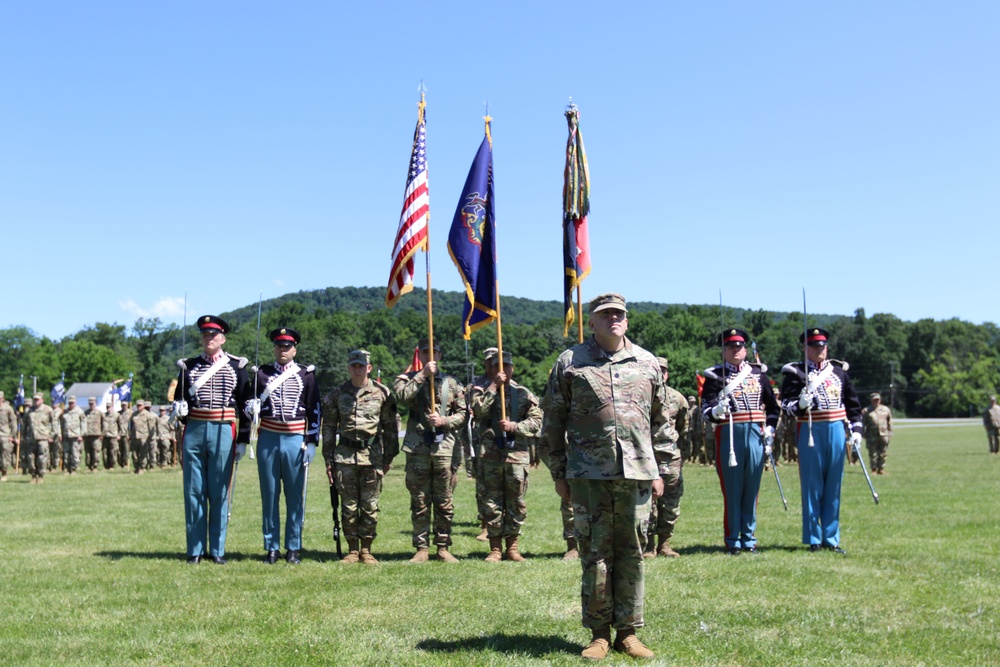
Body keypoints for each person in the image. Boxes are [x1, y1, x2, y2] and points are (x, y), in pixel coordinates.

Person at [542, 293, 666, 660]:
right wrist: (558, 472)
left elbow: (661, 423)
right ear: (591, 322)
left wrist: (662, 469)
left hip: (638, 473)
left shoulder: (646, 363)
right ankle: (598, 634)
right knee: (595, 553)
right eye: (605, 314)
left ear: (627, 320)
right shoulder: (571, 362)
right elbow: (553, 421)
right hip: (588, 475)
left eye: (619, 314)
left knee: (633, 552)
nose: (614, 318)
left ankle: (628, 632)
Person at [174, 315, 252, 565]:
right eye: (205, 334)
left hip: (222, 428)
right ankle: (194, 549)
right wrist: (180, 410)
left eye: (214, 334)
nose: (209, 338)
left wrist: (243, 439)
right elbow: (179, 400)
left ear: (223, 338)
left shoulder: (237, 366)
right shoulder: (188, 366)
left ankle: (217, 549)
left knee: (219, 490)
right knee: (193, 490)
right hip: (195, 428)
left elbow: (246, 406)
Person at [780, 327, 862, 555]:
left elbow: (853, 404)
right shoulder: (796, 373)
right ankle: (814, 537)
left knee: (834, 485)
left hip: (836, 429)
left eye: (823, 346)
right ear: (805, 348)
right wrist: (801, 405)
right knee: (812, 485)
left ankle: (831, 537)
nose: (820, 349)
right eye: (815, 346)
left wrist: (856, 431)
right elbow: (786, 405)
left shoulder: (839, 372)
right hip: (810, 429)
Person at [702, 330, 780, 555]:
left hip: (755, 434)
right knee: (733, 489)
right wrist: (717, 410)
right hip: (729, 434)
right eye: (730, 347)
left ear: (745, 349)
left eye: (739, 346)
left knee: (752, 489)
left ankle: (749, 538)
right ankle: (732, 539)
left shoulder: (758, 374)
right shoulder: (715, 376)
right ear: (724, 350)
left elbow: (773, 408)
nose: (735, 350)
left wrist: (771, 429)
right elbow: (706, 410)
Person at [250, 328, 321, 565]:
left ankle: (293, 546)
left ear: (295, 349)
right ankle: (271, 546)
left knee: (294, 495)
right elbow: (249, 406)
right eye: (279, 345)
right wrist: (250, 410)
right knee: (269, 495)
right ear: (274, 348)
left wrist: (311, 442)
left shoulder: (306, 374)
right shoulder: (261, 374)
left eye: (287, 346)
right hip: (268, 438)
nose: (283, 349)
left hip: (294, 439)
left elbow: (314, 409)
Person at [394, 337, 467, 564]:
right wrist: (422, 374)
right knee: (420, 500)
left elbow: (463, 414)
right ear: (420, 355)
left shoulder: (451, 384)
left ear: (440, 356)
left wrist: (444, 420)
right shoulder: (407, 379)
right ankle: (421, 547)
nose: (430, 357)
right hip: (418, 449)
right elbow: (402, 397)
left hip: (444, 449)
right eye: (426, 353)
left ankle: (443, 546)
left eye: (434, 353)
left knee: (444, 500)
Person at [322, 348, 397, 565]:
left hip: (372, 458)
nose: (357, 369)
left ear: (369, 368)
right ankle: (352, 550)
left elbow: (391, 428)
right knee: (349, 507)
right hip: (344, 457)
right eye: (353, 365)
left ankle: (366, 549)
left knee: (370, 506)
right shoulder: (337, 394)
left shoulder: (383, 393)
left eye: (361, 366)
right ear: (348, 367)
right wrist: (328, 460)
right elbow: (328, 428)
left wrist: (388, 458)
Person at [471, 350, 543, 562]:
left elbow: (537, 421)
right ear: (490, 369)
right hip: (490, 456)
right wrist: (493, 387)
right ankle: (495, 548)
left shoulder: (523, 393)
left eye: (506, 366)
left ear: (512, 368)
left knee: (516, 502)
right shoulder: (481, 391)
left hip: (516, 456)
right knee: (492, 502)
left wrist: (515, 426)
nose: (502, 370)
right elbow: (478, 411)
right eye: (496, 366)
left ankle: (512, 547)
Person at [644, 357, 689, 559]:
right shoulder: (642, 396)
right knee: (647, 502)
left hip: (671, 458)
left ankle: (665, 543)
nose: (660, 374)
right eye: (656, 370)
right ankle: (649, 546)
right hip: (645, 456)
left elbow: (682, 428)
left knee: (670, 502)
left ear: (667, 374)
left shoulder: (678, 398)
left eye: (663, 371)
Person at [24, 393, 58, 483]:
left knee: (42, 458)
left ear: (42, 400)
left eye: (38, 399)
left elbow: (54, 424)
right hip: (31, 438)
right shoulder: (29, 410)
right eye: (35, 399)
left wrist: (52, 436)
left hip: (43, 438)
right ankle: (33, 475)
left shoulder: (48, 410)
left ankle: (41, 476)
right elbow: (25, 424)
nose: (36, 401)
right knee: (31, 458)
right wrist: (24, 437)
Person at [861, 393, 893, 474]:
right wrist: (862, 433)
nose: (876, 401)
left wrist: (890, 432)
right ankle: (874, 469)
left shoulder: (886, 409)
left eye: (877, 399)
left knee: (883, 453)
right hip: (871, 435)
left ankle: (881, 469)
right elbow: (862, 423)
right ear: (871, 400)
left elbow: (889, 422)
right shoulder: (866, 410)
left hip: (883, 434)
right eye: (874, 400)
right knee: (873, 453)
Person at [60, 396, 86, 475]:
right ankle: (67, 469)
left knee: (75, 453)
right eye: (70, 402)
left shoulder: (80, 411)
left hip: (75, 436)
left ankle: (73, 469)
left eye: (72, 402)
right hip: (66, 435)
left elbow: (83, 424)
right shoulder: (65, 411)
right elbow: (61, 424)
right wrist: (60, 434)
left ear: (75, 402)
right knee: (66, 453)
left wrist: (81, 435)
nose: (71, 404)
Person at [131, 400, 158, 474]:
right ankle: (136, 468)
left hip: (144, 437)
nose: (139, 407)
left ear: (143, 406)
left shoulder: (148, 415)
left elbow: (151, 427)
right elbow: (131, 426)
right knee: (134, 454)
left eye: (140, 405)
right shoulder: (134, 414)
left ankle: (142, 467)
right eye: (138, 405)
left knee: (143, 453)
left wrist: (150, 436)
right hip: (134, 437)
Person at [0, 391, 18, 481]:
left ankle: (4, 473)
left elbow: (14, 423)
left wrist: (12, 435)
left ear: (2, 399)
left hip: (5, 436)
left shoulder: (8, 409)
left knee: (4, 456)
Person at [84, 397, 104, 472]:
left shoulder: (100, 413)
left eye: (92, 403)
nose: (91, 404)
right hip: (87, 435)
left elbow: (104, 424)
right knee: (88, 452)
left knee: (96, 451)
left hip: (96, 435)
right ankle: (89, 466)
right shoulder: (85, 413)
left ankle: (95, 466)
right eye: (90, 403)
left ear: (96, 403)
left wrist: (102, 434)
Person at [102, 402, 119, 470]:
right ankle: (106, 465)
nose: (108, 408)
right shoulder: (104, 415)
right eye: (107, 407)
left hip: (113, 436)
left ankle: (112, 465)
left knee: (113, 451)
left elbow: (120, 425)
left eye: (109, 407)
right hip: (105, 436)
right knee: (105, 452)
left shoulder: (116, 415)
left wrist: (119, 434)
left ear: (112, 407)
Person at [117, 401, 132, 469]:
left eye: (125, 405)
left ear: (127, 405)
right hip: (119, 434)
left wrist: (130, 434)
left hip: (127, 435)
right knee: (119, 450)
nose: (124, 406)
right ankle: (121, 463)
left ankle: (126, 463)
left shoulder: (131, 413)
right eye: (122, 405)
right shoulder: (118, 413)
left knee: (126, 450)